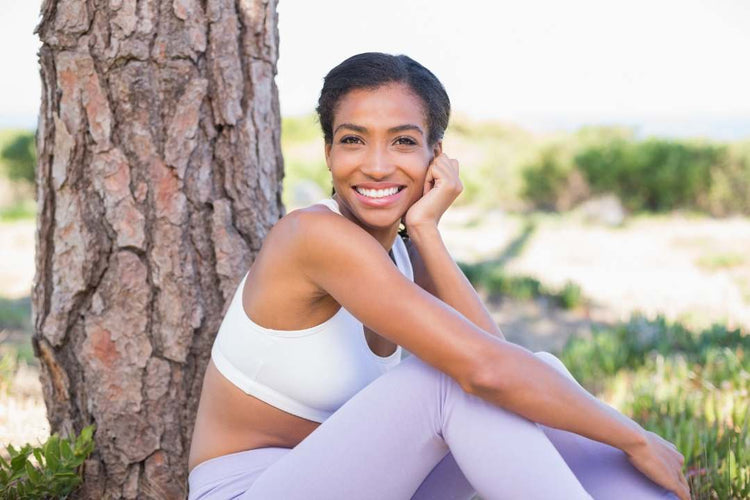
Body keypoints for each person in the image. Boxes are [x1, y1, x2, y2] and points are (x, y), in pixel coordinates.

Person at [187, 52, 689, 500]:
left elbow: (506, 368)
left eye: (403, 142)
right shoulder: (312, 236)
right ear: (328, 154)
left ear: (436, 157)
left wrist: (425, 229)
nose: (377, 165)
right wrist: (633, 436)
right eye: (352, 141)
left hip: (363, 483)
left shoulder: (403, 252)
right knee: (446, 382)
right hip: (250, 489)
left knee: (542, 369)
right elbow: (485, 371)